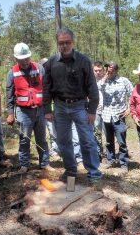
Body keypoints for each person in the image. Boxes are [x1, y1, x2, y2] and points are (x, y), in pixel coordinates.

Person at [43, 28, 102, 185]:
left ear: (73, 42)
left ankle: (94, 174)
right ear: (58, 44)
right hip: (60, 107)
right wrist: (47, 109)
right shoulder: (51, 63)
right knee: (63, 141)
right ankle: (71, 171)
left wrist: (92, 110)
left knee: (87, 140)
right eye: (61, 43)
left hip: (80, 106)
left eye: (67, 42)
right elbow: (46, 88)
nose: (64, 45)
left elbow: (92, 87)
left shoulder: (83, 61)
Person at [6, 43, 54, 173]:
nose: (25, 62)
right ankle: (24, 164)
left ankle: (44, 163)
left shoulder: (39, 68)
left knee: (42, 139)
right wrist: (10, 113)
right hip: (23, 112)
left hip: (40, 110)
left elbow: (46, 91)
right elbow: (9, 94)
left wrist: (48, 110)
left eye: (27, 58)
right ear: (16, 59)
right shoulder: (12, 73)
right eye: (22, 60)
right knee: (24, 140)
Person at [98, 61, 133, 171]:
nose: (110, 71)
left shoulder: (124, 81)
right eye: (108, 69)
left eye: (112, 70)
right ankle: (110, 160)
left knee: (121, 141)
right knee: (109, 141)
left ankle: (124, 164)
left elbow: (133, 94)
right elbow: (97, 87)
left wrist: (129, 108)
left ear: (116, 70)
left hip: (119, 115)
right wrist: (105, 77)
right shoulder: (104, 81)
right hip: (106, 115)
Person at [93, 61, 104, 160]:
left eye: (100, 70)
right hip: (95, 111)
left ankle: (110, 155)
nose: (98, 72)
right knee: (96, 133)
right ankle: (98, 154)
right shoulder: (89, 81)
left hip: (108, 111)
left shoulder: (108, 81)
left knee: (108, 134)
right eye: (96, 70)